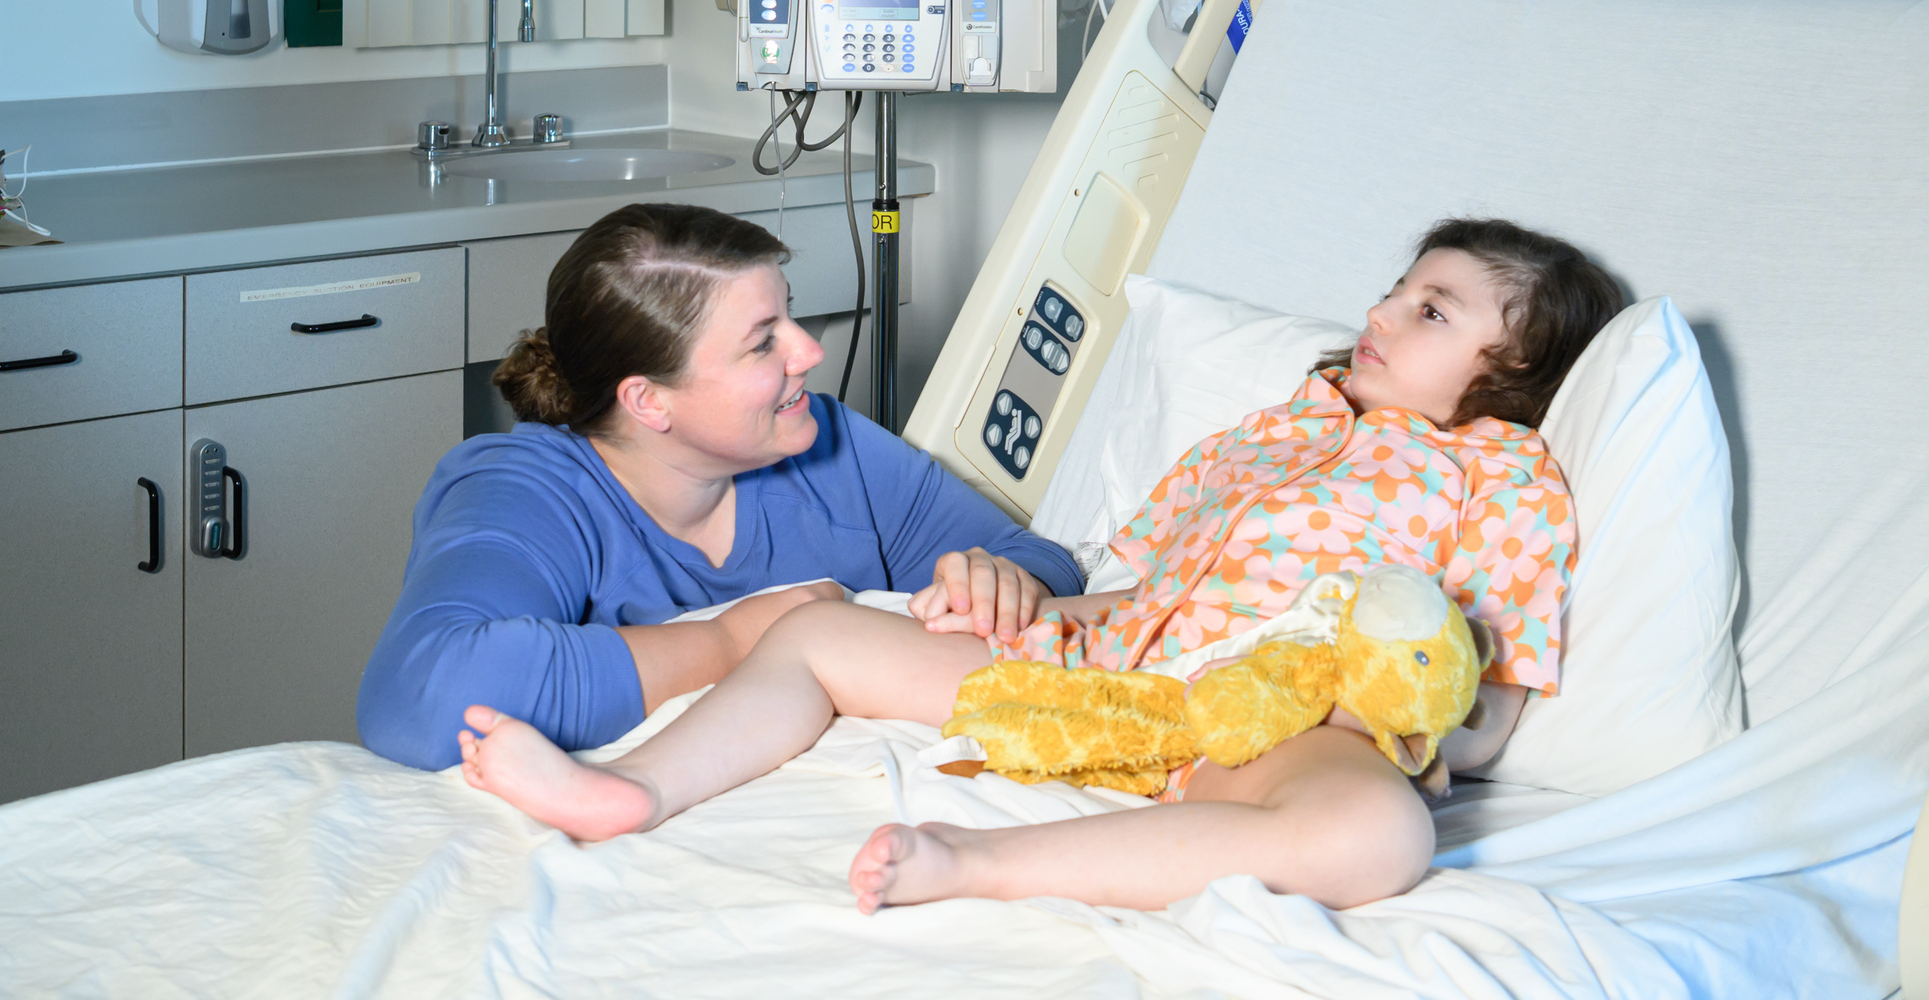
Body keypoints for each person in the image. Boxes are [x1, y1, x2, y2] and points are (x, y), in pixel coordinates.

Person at [451, 218, 1622, 913]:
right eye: (1396, 285)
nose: (1381, 307)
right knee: (807, 631)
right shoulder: (1270, 431)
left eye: (1431, 310)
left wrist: (1416, 740)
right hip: (1109, 675)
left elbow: (1494, 686)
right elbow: (1137, 579)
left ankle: (972, 864)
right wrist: (1018, 604)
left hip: (1290, 714)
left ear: (1509, 366)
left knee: (1377, 839)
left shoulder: (1499, 476)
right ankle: (634, 791)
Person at [357, 203, 1082, 771]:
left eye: (788, 315)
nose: (809, 351)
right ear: (648, 401)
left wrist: (1004, 579)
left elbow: (1042, 560)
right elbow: (423, 697)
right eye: (763, 341)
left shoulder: (833, 447)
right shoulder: (526, 491)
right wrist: (738, 638)